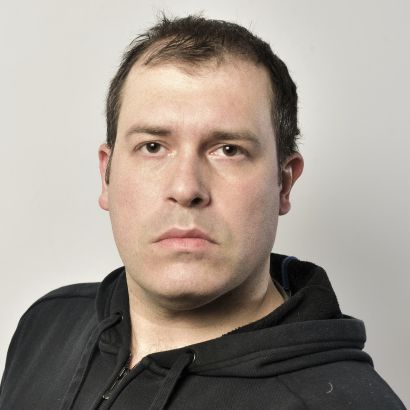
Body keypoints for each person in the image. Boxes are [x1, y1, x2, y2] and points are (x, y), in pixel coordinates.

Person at [0, 15, 405, 410]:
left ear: (284, 183)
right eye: (153, 147)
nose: (186, 189)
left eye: (228, 150)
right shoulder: (46, 326)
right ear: (107, 175)